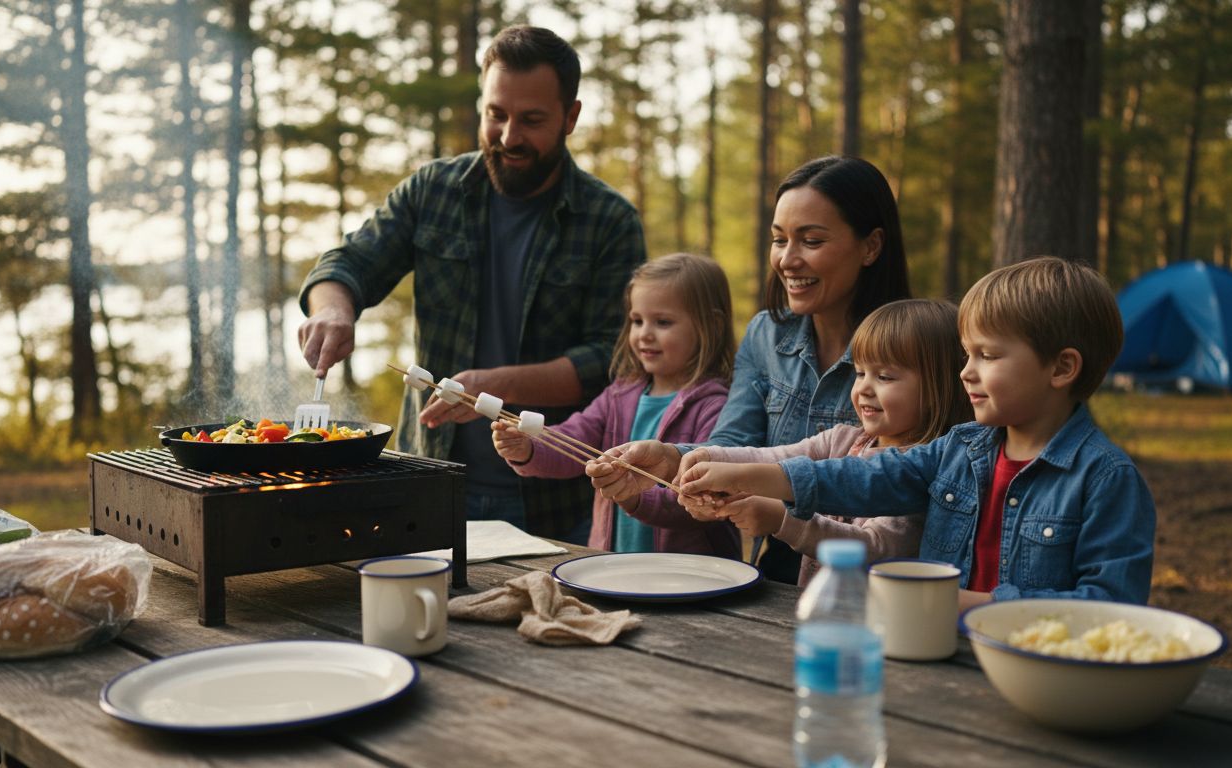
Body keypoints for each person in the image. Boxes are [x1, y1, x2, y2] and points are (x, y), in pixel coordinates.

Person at [296, 26, 646, 543]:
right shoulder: (432, 191)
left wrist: (495, 387)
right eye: (495, 115)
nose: (508, 137)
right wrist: (333, 309)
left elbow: (609, 362)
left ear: (570, 117)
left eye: (531, 120)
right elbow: (349, 264)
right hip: (428, 484)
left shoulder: (610, 221)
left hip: (556, 501)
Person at [678, 257, 1156, 608]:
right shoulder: (961, 448)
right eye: (966, 355)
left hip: (1037, 672)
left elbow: (1108, 607)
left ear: (1062, 368)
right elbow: (865, 477)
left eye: (987, 356)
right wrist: (740, 474)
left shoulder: (1105, 479)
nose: (965, 373)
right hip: (934, 656)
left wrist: (967, 604)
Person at [586, 155, 911, 582]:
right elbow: (738, 442)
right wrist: (675, 463)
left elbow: (891, 482)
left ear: (870, 246)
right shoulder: (766, 335)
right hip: (777, 570)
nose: (788, 260)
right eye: (780, 240)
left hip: (869, 578)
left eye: (811, 241)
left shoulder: (912, 348)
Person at [672, 299, 972, 584]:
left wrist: (781, 520)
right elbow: (774, 458)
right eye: (860, 373)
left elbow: (875, 547)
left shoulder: (929, 471)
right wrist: (707, 457)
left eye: (885, 377)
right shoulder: (843, 439)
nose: (864, 388)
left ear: (937, 388)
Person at [490, 254, 740, 558]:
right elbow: (573, 440)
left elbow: (699, 502)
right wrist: (529, 448)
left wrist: (633, 496)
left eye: (662, 322)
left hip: (692, 577)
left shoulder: (716, 406)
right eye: (637, 320)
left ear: (710, 326)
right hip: (614, 567)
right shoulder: (619, 395)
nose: (644, 333)